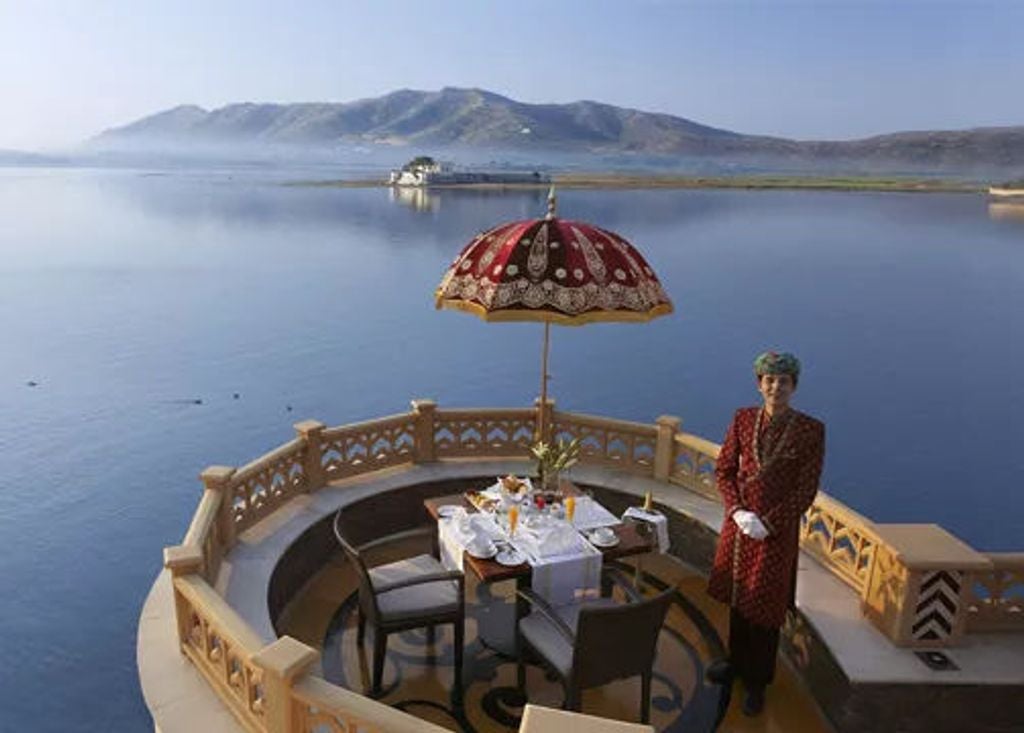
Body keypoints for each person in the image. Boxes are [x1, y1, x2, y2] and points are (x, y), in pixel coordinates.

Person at [705, 351, 825, 716]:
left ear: (794, 386)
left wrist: (768, 523)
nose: (776, 387)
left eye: (784, 381)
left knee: (765, 608)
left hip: (776, 534)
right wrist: (737, 511)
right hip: (739, 527)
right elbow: (724, 469)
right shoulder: (742, 419)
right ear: (760, 384)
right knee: (740, 598)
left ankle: (758, 680)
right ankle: (735, 662)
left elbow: (805, 490)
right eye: (769, 380)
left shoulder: (810, 430)